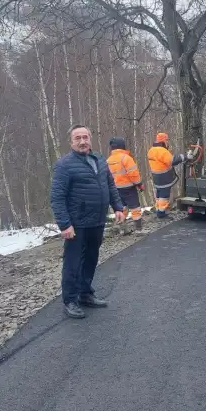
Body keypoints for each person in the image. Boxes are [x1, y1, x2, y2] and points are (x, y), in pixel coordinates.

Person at [50, 125, 125, 319]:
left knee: (91, 259)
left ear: (90, 139)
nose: (82, 141)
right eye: (78, 138)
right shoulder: (64, 165)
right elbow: (57, 197)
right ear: (71, 142)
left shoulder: (99, 159)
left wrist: (118, 207)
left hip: (97, 221)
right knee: (73, 262)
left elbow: (110, 184)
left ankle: (85, 293)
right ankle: (70, 300)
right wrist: (65, 224)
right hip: (77, 224)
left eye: (85, 137)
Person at [147, 132, 196, 218]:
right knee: (164, 196)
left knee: (159, 194)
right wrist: (185, 156)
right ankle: (161, 213)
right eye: (166, 140)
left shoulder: (151, 150)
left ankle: (158, 210)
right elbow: (172, 160)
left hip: (156, 177)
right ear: (163, 141)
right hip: (164, 177)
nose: (167, 142)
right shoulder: (162, 151)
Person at [107, 137, 145, 231]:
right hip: (128, 188)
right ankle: (139, 229)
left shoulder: (108, 160)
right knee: (135, 207)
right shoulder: (126, 158)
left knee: (122, 208)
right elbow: (133, 174)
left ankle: (123, 229)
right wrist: (139, 184)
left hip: (115, 189)